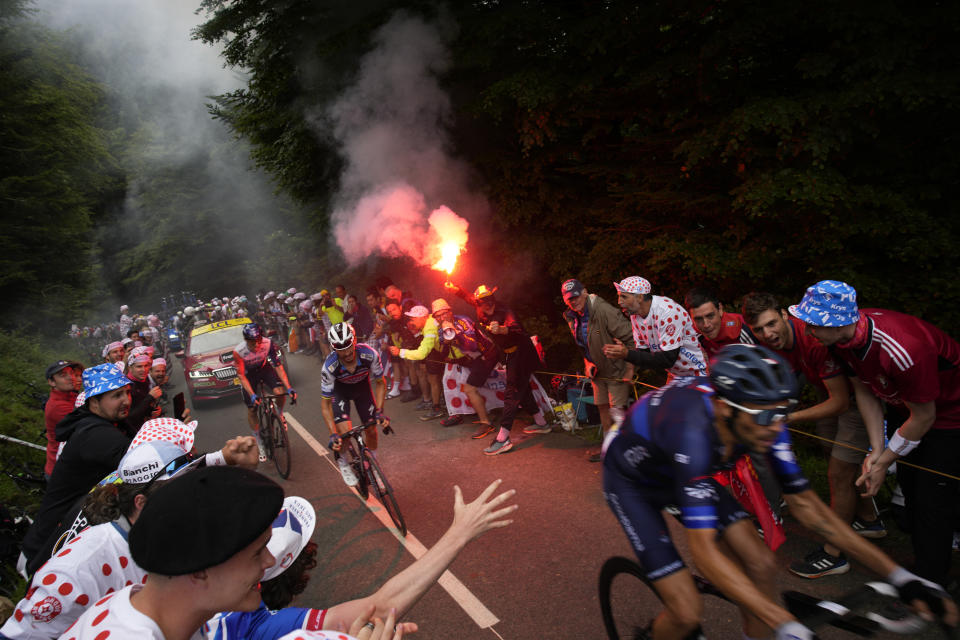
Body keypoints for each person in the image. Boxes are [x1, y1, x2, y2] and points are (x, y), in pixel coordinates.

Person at [603, 344, 957, 640]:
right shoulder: (691, 432)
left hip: (684, 470)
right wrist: (782, 620)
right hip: (633, 481)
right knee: (685, 611)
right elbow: (706, 555)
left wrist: (902, 578)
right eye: (763, 418)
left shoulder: (765, 419)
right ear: (726, 408)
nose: (775, 428)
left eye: (782, 413)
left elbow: (811, 510)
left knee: (761, 562)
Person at [790, 280, 960, 591]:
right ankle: (927, 563)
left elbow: (925, 417)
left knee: (931, 499)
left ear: (839, 321)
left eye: (814, 324)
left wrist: (883, 462)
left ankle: (931, 586)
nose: (808, 330)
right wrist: (876, 450)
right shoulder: (841, 341)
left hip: (947, 417)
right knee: (910, 490)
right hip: (904, 408)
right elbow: (865, 390)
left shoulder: (902, 350)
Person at [741, 291, 882, 579]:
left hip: (856, 400)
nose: (767, 334)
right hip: (826, 394)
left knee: (838, 474)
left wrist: (788, 417)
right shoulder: (771, 342)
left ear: (784, 315)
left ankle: (834, 553)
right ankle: (869, 520)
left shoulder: (812, 340)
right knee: (842, 461)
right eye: (758, 329)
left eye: (771, 324)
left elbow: (842, 401)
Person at [20, 364, 136, 576]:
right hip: (48, 553)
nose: (126, 400)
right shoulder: (93, 433)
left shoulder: (99, 421)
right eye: (117, 395)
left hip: (69, 535)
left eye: (127, 392)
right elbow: (141, 460)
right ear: (94, 402)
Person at [445, 283, 545, 455]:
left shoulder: (505, 311)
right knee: (523, 389)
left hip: (522, 353)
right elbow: (469, 297)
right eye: (483, 301)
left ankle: (503, 438)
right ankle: (542, 423)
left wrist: (503, 329)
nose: (487, 303)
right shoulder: (479, 308)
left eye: (490, 299)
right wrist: (457, 290)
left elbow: (518, 329)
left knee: (512, 392)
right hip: (508, 354)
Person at [562, 278, 635, 462]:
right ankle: (608, 450)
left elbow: (632, 337)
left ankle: (628, 455)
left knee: (618, 413)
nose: (574, 301)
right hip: (597, 372)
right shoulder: (572, 316)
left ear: (585, 292)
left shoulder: (603, 310)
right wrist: (588, 364)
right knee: (603, 408)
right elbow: (583, 345)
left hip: (616, 370)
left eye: (577, 296)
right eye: (570, 298)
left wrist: (630, 369)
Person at [321, 323, 389, 486]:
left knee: (372, 430)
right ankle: (343, 463)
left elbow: (380, 383)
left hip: (362, 389)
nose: (346, 352)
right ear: (333, 348)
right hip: (340, 392)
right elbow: (326, 405)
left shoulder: (369, 354)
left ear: (354, 341)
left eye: (349, 346)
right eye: (340, 348)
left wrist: (379, 411)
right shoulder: (329, 367)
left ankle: (373, 465)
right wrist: (333, 434)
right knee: (345, 433)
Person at [603, 276, 707, 379]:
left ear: (639, 297)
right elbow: (643, 353)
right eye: (619, 296)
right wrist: (624, 353)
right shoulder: (635, 315)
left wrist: (627, 354)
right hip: (676, 375)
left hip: (698, 371)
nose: (619, 301)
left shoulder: (667, 312)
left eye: (624, 297)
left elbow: (667, 360)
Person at [429, 298, 497, 430]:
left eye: (444, 313)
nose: (442, 318)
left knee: (469, 389)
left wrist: (456, 333)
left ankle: (486, 423)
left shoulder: (463, 321)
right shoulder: (440, 328)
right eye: (438, 316)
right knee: (469, 386)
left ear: (450, 312)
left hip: (487, 355)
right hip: (473, 359)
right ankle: (486, 413)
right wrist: (447, 344)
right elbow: (444, 348)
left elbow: (471, 346)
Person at [233, 323, 296, 463]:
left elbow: (278, 366)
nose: (256, 345)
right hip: (249, 375)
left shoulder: (268, 343)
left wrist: (289, 387)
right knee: (252, 409)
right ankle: (259, 441)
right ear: (246, 340)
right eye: (252, 342)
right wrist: (252, 394)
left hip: (264, 369)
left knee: (279, 392)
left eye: (258, 341)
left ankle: (279, 414)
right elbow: (242, 376)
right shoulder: (239, 351)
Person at [387, 306, 444, 421]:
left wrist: (400, 352)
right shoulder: (427, 324)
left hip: (447, 355)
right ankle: (439, 405)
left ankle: (437, 408)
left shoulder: (430, 329)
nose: (411, 322)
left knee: (434, 379)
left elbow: (421, 353)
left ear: (423, 317)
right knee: (435, 379)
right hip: (441, 353)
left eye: (413, 319)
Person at [684, 288, 755, 360]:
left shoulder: (743, 328)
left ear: (720, 309)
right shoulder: (690, 335)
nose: (706, 325)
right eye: (698, 319)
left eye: (710, 316)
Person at [42, 361, 83, 479]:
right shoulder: (58, 406)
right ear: (51, 382)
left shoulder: (70, 395)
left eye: (71, 373)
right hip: (60, 470)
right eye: (62, 375)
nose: (71, 378)